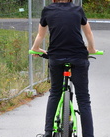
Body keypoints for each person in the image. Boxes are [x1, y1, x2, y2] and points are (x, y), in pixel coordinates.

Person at [30, 0, 97, 137]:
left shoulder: (47, 11)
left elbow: (41, 35)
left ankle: (48, 132)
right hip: (78, 56)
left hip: (56, 57)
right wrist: (91, 49)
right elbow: (88, 34)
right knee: (83, 98)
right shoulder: (78, 10)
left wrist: (35, 49)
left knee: (55, 92)